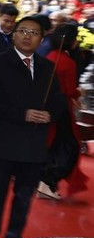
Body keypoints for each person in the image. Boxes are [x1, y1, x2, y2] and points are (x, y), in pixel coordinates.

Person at [0, 15, 65, 238]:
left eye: (34, 32)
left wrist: (51, 114)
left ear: (41, 39)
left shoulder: (48, 67)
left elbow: (58, 101)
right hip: (5, 142)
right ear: (14, 34)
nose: (28, 36)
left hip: (34, 144)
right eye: (23, 31)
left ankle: (14, 237)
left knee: (24, 197)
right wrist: (23, 114)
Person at [37, 23, 85, 199]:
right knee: (69, 147)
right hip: (62, 108)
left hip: (47, 106)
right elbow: (71, 90)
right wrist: (80, 93)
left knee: (52, 144)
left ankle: (45, 182)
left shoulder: (50, 56)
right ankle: (48, 181)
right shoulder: (68, 63)